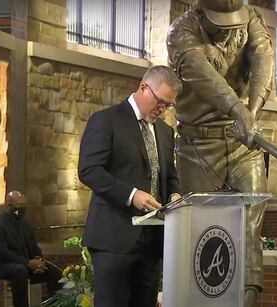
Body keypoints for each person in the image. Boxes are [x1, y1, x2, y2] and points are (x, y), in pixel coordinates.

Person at [166, 0, 274, 305]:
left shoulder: (250, 17)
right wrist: (239, 111)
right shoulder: (182, 30)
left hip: (243, 144)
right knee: (202, 231)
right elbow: (205, 78)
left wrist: (251, 113)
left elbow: (263, 59)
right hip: (198, 148)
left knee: (252, 221)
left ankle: (249, 299)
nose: (229, 30)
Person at [78, 65, 182, 307]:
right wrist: (131, 195)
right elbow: (89, 170)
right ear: (144, 88)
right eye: (160, 102)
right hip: (113, 240)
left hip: (152, 243)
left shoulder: (165, 132)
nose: (163, 110)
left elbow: (169, 177)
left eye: (168, 105)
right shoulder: (106, 120)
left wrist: (175, 194)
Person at [0, 191, 61, 307]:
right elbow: (1, 253)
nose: (22, 208)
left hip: (23, 265)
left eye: (24, 205)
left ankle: (55, 304)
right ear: (8, 205)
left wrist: (40, 262)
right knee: (20, 271)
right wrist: (28, 263)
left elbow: (34, 247)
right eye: (19, 205)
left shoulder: (25, 224)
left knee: (53, 271)